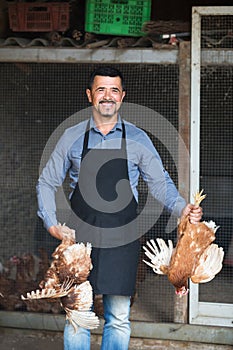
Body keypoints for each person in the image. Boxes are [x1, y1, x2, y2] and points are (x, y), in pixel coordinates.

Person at [36, 66, 202, 350]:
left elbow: (159, 182)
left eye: (114, 90)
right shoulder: (71, 137)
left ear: (122, 97)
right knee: (78, 314)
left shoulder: (138, 139)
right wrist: (51, 222)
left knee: (119, 316)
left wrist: (181, 208)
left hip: (121, 236)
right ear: (90, 95)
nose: (107, 96)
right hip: (81, 240)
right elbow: (47, 182)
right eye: (101, 89)